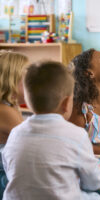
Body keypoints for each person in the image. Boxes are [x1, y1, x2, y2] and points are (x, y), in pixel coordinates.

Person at [2, 61, 100, 200]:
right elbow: (93, 182)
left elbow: (10, 170)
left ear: (28, 102)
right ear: (66, 103)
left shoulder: (15, 133)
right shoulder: (76, 135)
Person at [0, 51, 29, 198]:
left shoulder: (10, 107)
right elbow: (28, 142)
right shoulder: (5, 111)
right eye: (28, 79)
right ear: (12, 80)